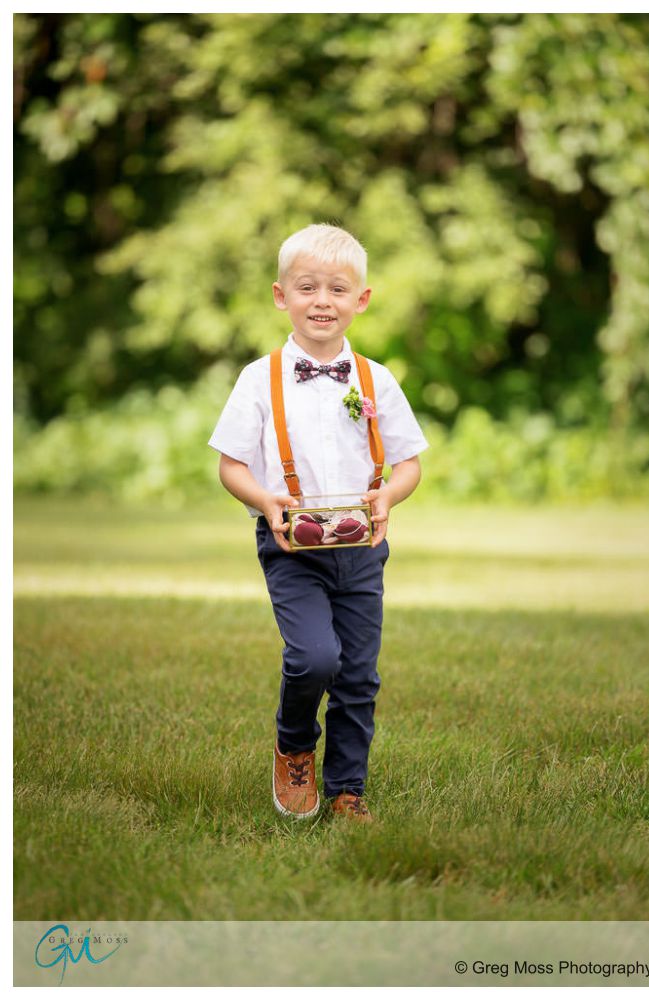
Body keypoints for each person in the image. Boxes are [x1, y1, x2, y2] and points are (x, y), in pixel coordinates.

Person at [208, 223, 429, 823]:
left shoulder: (375, 379)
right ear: (282, 295)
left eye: (337, 289)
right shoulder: (261, 378)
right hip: (290, 546)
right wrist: (265, 500)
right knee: (314, 658)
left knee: (357, 673)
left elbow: (408, 463)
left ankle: (347, 791)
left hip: (360, 547)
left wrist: (388, 498)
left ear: (361, 300)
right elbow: (230, 465)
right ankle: (294, 743)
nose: (322, 301)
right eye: (307, 287)